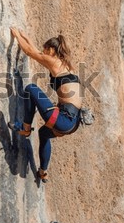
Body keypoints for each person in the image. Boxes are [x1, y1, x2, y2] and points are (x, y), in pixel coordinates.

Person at [8, 27, 82, 183]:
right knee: (43, 133)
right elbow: (37, 52)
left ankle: (25, 128)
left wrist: (16, 36)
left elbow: (31, 53)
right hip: (73, 123)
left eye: (46, 49)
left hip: (64, 119)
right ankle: (43, 171)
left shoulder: (54, 62)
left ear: (53, 50)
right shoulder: (67, 66)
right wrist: (25, 37)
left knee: (30, 89)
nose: (43, 51)